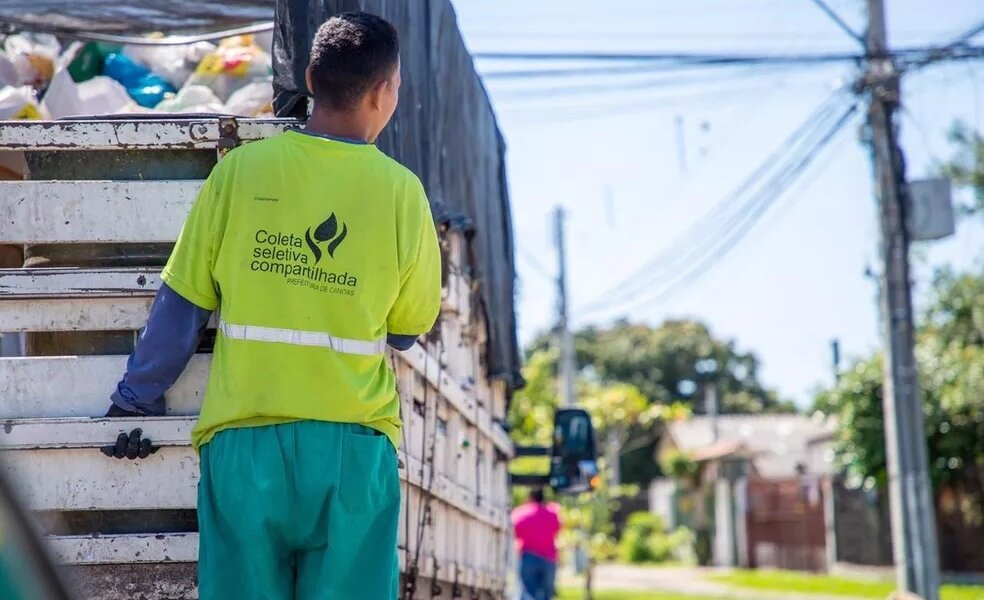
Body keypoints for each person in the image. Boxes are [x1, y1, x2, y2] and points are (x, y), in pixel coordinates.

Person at [102, 12, 442, 600]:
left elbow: (181, 305)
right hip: (351, 453)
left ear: (311, 78)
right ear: (386, 92)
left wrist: (133, 399)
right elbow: (408, 331)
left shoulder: (239, 172)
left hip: (244, 449)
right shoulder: (402, 193)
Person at [511, 488, 562, 600]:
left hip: (529, 556)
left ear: (529, 497)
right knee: (546, 593)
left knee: (528, 591)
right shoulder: (552, 513)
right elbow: (557, 529)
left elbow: (515, 531)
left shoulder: (521, 513)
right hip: (549, 558)